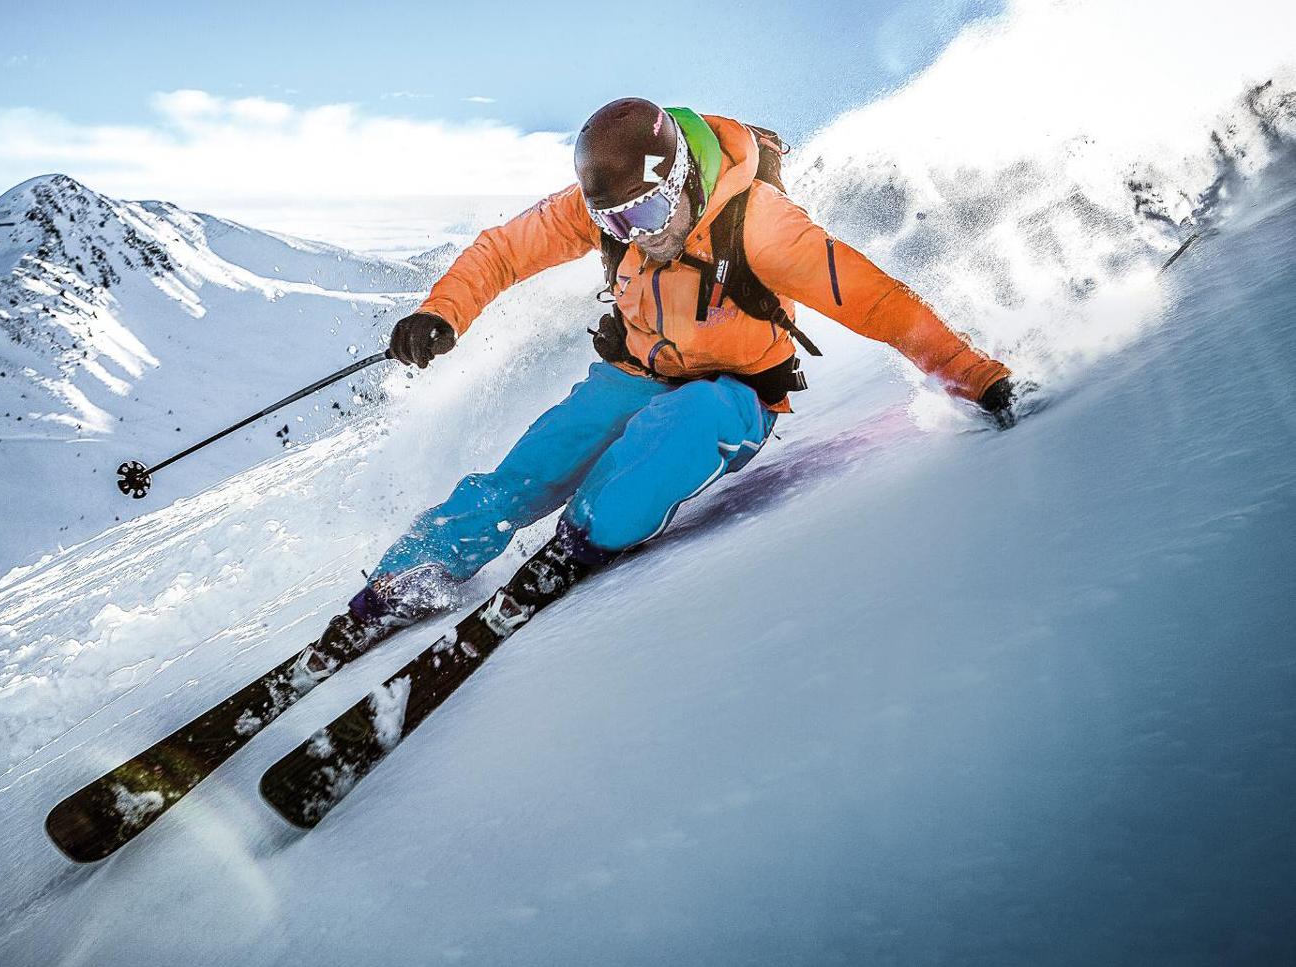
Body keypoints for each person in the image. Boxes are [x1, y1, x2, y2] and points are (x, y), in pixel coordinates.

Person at [330, 97, 1016, 647]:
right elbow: (505, 250)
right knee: (537, 462)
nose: (643, 233)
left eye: (653, 210)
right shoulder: (609, 212)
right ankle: (412, 572)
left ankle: (588, 531)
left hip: (737, 393)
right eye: (620, 222)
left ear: (682, 174)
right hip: (635, 370)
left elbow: (872, 300)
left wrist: (971, 372)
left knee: (672, 433)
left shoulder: (761, 226)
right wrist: (442, 313)